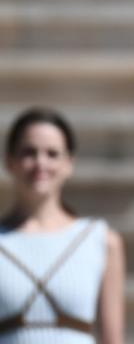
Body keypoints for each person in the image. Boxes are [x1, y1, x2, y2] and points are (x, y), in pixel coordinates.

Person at [0, 107, 125, 344]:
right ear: (10, 161)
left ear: (69, 163)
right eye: (29, 152)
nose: (40, 163)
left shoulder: (101, 240)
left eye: (52, 154)